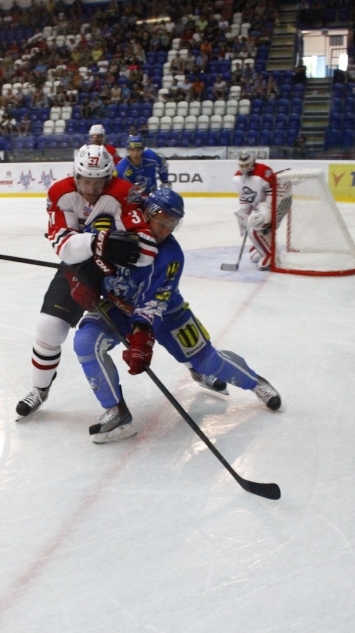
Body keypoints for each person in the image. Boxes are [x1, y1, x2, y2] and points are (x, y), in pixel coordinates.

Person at [71, 188, 281, 443]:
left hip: (168, 313)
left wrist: (141, 339)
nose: (164, 231)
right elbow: (76, 254)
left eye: (171, 225)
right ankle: (116, 410)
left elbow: (155, 302)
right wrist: (77, 280)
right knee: (85, 343)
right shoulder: (114, 230)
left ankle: (254, 382)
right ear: (146, 214)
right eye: (161, 222)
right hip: (118, 308)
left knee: (207, 362)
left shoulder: (171, 255)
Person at [15, 144, 154, 420]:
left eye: (98, 181)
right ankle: (40, 389)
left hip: (121, 273)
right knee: (49, 328)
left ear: (109, 177)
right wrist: (101, 241)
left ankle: (198, 365)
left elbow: (146, 251)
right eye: (86, 180)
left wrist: (102, 245)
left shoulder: (124, 192)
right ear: (76, 175)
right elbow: (65, 249)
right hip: (80, 269)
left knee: (159, 318)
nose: (92, 188)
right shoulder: (60, 193)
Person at [233, 152, 280, 271]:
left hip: (274, 203)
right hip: (258, 206)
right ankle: (263, 247)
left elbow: (271, 190)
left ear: (252, 163)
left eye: (246, 165)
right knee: (248, 225)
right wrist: (244, 211)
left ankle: (271, 255)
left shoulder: (263, 171)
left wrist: (268, 207)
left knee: (256, 225)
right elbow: (244, 195)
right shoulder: (237, 177)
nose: (244, 168)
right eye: (241, 165)